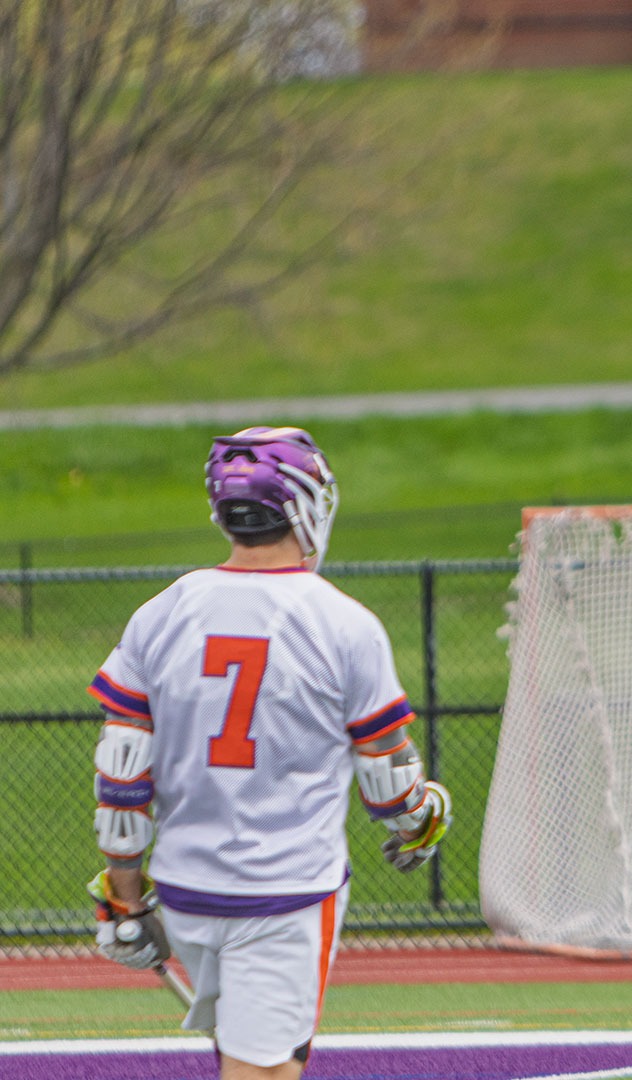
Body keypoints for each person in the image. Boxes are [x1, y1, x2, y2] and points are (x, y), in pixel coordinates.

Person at [88, 426, 452, 1079]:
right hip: (284, 893)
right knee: (265, 1070)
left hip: (186, 891)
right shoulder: (342, 623)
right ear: (307, 502)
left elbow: (121, 771)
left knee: (256, 1055)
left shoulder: (163, 611)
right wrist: (423, 816)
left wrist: (124, 894)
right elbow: (388, 783)